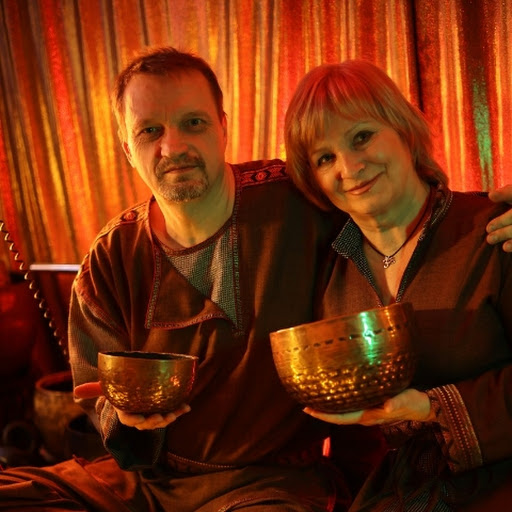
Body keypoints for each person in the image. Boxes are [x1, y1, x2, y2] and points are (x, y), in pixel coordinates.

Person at [0, 47, 511, 512]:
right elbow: (98, 394)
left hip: (269, 484)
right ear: (127, 148)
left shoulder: (299, 204)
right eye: (150, 131)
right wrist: (123, 415)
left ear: (223, 127)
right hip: (143, 482)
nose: (173, 146)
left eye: (193, 122)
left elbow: (406, 204)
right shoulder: (110, 259)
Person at [284, 59, 512, 510]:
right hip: (393, 495)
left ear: (404, 130)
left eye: (362, 137)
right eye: (325, 158)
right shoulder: (329, 272)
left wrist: (432, 408)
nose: (350, 166)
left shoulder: (493, 232)